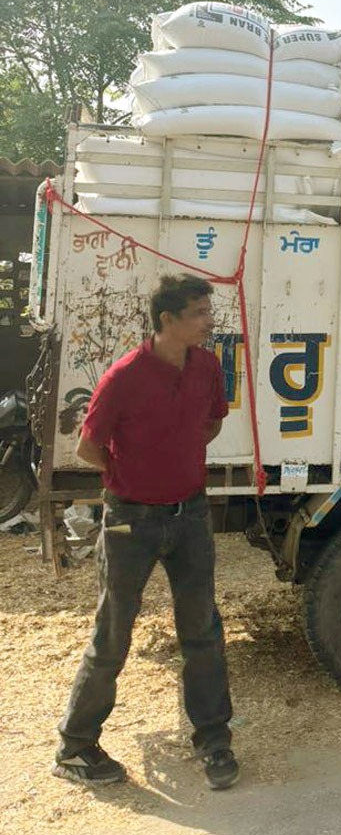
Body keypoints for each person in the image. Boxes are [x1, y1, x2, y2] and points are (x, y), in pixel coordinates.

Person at [53, 274, 239, 789]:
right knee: (113, 634)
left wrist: (179, 455)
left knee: (202, 632)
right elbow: (89, 447)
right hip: (130, 521)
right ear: (168, 320)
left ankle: (214, 743)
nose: (208, 321)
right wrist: (129, 478)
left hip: (190, 515)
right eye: (199, 313)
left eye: (208, 311)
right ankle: (75, 747)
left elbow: (213, 421)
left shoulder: (206, 366)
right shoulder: (125, 376)